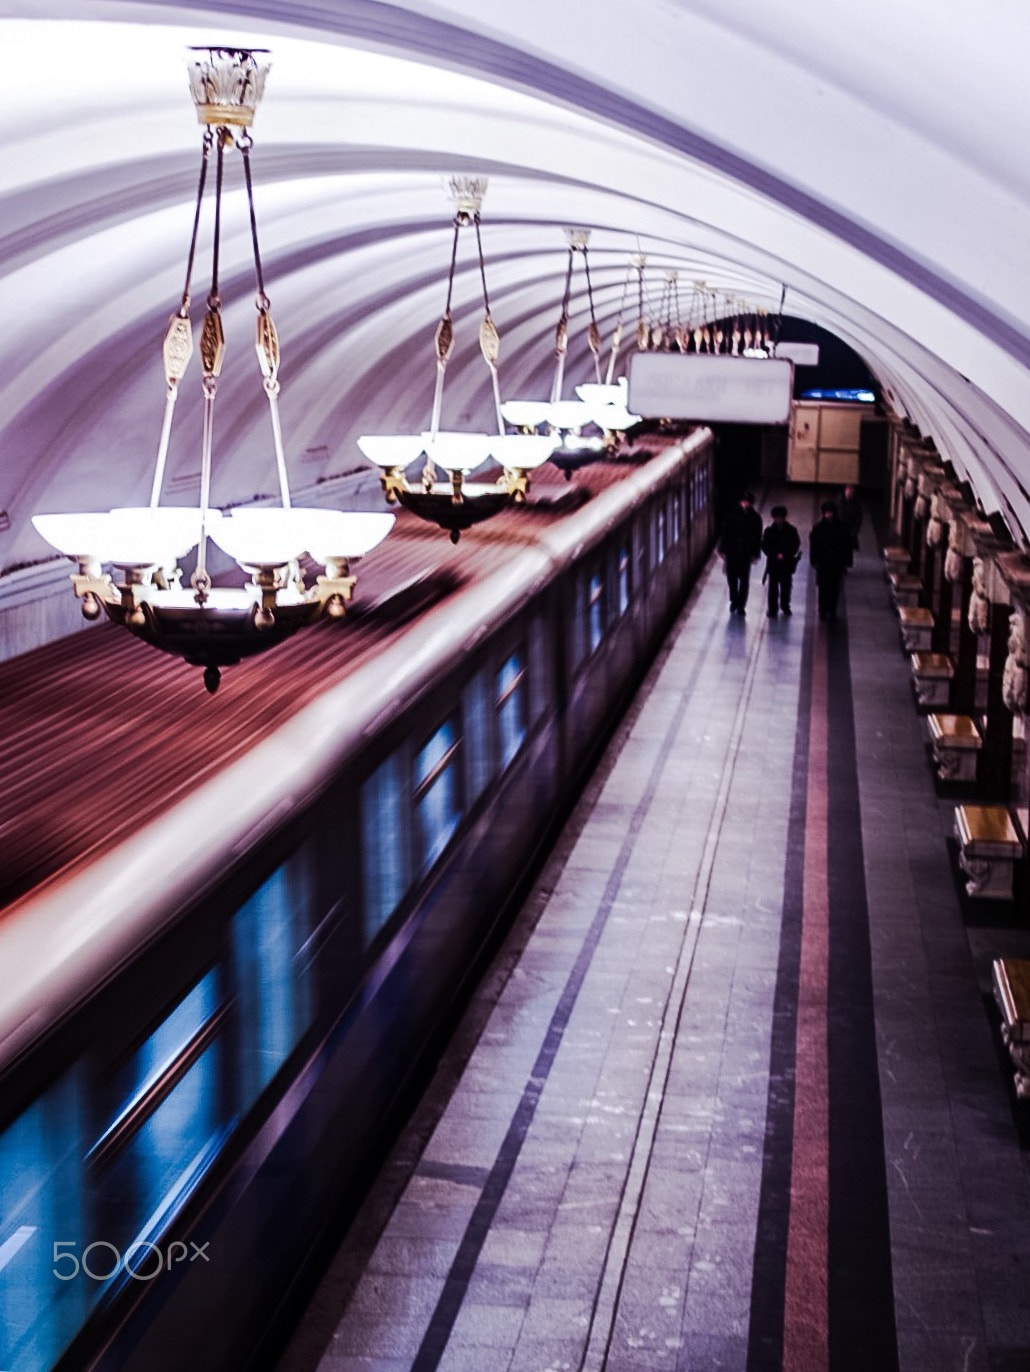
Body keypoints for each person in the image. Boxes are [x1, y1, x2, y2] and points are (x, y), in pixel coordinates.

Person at [718, 490, 763, 616]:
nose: (744, 503)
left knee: (744, 580)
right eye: (743, 501)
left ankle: (741, 605)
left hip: (746, 553)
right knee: (732, 579)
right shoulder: (732, 515)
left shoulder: (755, 518)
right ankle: (734, 600)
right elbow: (725, 533)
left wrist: (755, 553)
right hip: (732, 551)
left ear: (750, 503)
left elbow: (758, 537)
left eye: (746, 501)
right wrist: (722, 549)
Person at [809, 498, 853, 620]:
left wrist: (846, 562)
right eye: (826, 512)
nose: (828, 515)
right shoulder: (818, 528)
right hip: (823, 563)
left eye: (830, 512)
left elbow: (846, 545)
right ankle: (822, 610)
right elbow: (814, 546)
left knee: (834, 588)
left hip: (836, 563)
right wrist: (814, 561)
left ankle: (832, 610)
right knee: (823, 588)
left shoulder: (841, 527)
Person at [761, 505, 802, 617]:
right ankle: (773, 608)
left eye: (781, 517)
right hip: (775, 563)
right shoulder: (769, 531)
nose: (779, 519)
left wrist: (784, 554)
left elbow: (796, 545)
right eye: (777, 517)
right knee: (773, 588)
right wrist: (776, 554)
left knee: (786, 587)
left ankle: (785, 606)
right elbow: (764, 545)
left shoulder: (791, 530)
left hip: (785, 563)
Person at [839, 483, 863, 552]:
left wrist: (855, 529)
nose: (848, 494)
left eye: (850, 492)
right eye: (847, 492)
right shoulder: (841, 501)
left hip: (851, 528)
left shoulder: (856, 502)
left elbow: (859, 517)